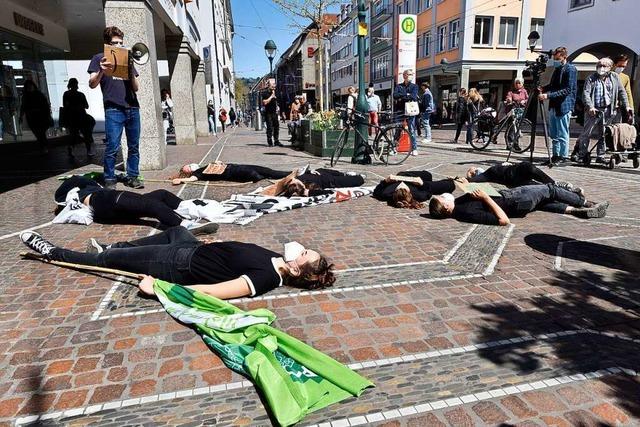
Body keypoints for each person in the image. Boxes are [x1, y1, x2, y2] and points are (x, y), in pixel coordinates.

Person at [21, 227, 336, 299]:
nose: (304, 249)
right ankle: (116, 246)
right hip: (191, 247)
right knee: (176, 229)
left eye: (307, 254)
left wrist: (158, 288)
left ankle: (52, 252)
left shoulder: (267, 278)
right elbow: (237, 252)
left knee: (107, 260)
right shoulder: (279, 259)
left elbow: (211, 293)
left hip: (174, 264)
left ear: (297, 269)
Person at [54, 175, 217, 233]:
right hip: (105, 200)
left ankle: (186, 209)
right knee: (151, 205)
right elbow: (84, 181)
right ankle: (185, 225)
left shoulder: (76, 195)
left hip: (107, 208)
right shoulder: (83, 188)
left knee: (160, 194)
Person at [88, 26, 142, 190]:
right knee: (112, 146)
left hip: (132, 107)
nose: (118, 46)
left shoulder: (127, 58)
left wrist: (131, 70)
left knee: (134, 146)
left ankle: (133, 177)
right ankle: (110, 178)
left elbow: (136, 87)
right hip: (113, 109)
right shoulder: (98, 58)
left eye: (121, 43)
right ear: (107, 44)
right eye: (114, 43)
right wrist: (101, 72)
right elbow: (92, 84)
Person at [429, 185, 609, 226]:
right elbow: (503, 220)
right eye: (442, 198)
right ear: (445, 208)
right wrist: (485, 198)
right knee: (550, 190)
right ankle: (585, 203)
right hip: (516, 201)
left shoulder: (458, 206)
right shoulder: (464, 213)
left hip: (514, 198)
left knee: (543, 202)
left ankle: (576, 211)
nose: (444, 196)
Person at [575, 57, 630, 163]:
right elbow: (586, 93)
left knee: (604, 134)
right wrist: (590, 106)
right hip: (594, 110)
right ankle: (582, 154)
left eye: (604, 66)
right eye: (599, 66)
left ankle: (601, 155)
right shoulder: (591, 78)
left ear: (610, 67)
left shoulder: (614, 77)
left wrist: (626, 105)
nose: (601, 68)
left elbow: (621, 91)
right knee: (587, 133)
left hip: (608, 110)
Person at [539, 47, 577, 165]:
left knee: (562, 132)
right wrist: (543, 88)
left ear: (564, 57)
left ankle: (563, 156)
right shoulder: (557, 69)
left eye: (557, 58)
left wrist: (548, 95)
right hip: (554, 106)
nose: (555, 60)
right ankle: (555, 155)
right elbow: (552, 85)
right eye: (554, 58)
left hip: (563, 106)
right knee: (554, 133)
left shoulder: (570, 69)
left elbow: (567, 89)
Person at [466, 161, 577, 191]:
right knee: (538, 186)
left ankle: (554, 184)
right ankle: (559, 189)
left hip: (518, 169)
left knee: (530, 167)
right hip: (513, 179)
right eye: (476, 170)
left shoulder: (493, 169)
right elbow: (470, 180)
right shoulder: (487, 174)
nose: (476, 169)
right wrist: (470, 173)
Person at [373, 171, 456, 209]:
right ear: (409, 193)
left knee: (428, 175)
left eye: (399, 187)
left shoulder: (387, 193)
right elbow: (428, 193)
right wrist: (422, 184)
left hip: (405, 175)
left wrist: (386, 181)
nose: (402, 184)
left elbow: (376, 191)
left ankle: (426, 179)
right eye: (404, 188)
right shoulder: (418, 194)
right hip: (418, 183)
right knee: (450, 184)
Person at [263, 168, 365, 197]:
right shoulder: (309, 186)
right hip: (330, 181)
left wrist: (309, 171)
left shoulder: (295, 179)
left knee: (327, 171)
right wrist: (307, 193)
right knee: (359, 180)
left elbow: (297, 174)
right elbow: (327, 192)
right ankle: (348, 176)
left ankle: (344, 174)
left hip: (322, 173)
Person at [171, 161, 290, 184]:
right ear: (187, 172)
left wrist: (217, 163)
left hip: (236, 167)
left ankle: (288, 173)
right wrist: (180, 179)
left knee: (267, 171)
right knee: (262, 173)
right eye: (185, 168)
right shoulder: (197, 174)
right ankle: (287, 175)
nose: (188, 166)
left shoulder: (203, 167)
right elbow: (192, 179)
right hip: (236, 173)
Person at [62, 78, 95, 158]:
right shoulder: (81, 94)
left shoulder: (66, 94)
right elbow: (86, 106)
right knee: (86, 134)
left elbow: (65, 106)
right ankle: (88, 151)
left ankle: (71, 148)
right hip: (81, 116)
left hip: (72, 118)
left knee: (74, 135)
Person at [20, 80, 51, 153]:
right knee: (38, 133)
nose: (30, 88)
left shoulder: (39, 95)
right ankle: (44, 147)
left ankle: (44, 147)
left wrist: (47, 115)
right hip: (32, 117)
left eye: (30, 86)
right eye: (28, 87)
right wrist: (21, 116)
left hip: (40, 117)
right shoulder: (26, 97)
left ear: (33, 86)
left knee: (40, 133)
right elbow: (23, 107)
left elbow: (46, 106)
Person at [393, 69, 419, 156]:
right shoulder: (399, 86)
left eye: (411, 74)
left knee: (411, 130)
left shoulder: (414, 86)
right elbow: (395, 95)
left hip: (410, 111)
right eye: (409, 74)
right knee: (398, 129)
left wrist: (403, 96)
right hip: (400, 110)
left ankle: (414, 148)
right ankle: (393, 147)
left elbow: (414, 97)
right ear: (404, 75)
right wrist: (406, 95)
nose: (410, 76)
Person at [612, 54, 634, 122]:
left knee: (617, 127)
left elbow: (628, 93)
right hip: (607, 106)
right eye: (620, 66)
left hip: (619, 107)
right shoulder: (607, 75)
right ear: (614, 64)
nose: (621, 68)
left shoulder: (625, 77)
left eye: (624, 66)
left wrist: (631, 107)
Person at [261, 79, 282, 147]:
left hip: (275, 113)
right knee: (269, 128)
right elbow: (264, 102)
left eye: (275, 84)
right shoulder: (265, 92)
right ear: (269, 85)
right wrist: (271, 96)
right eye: (273, 84)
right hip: (268, 113)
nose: (274, 85)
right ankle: (270, 141)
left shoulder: (276, 92)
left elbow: (277, 102)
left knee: (276, 127)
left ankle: (276, 141)